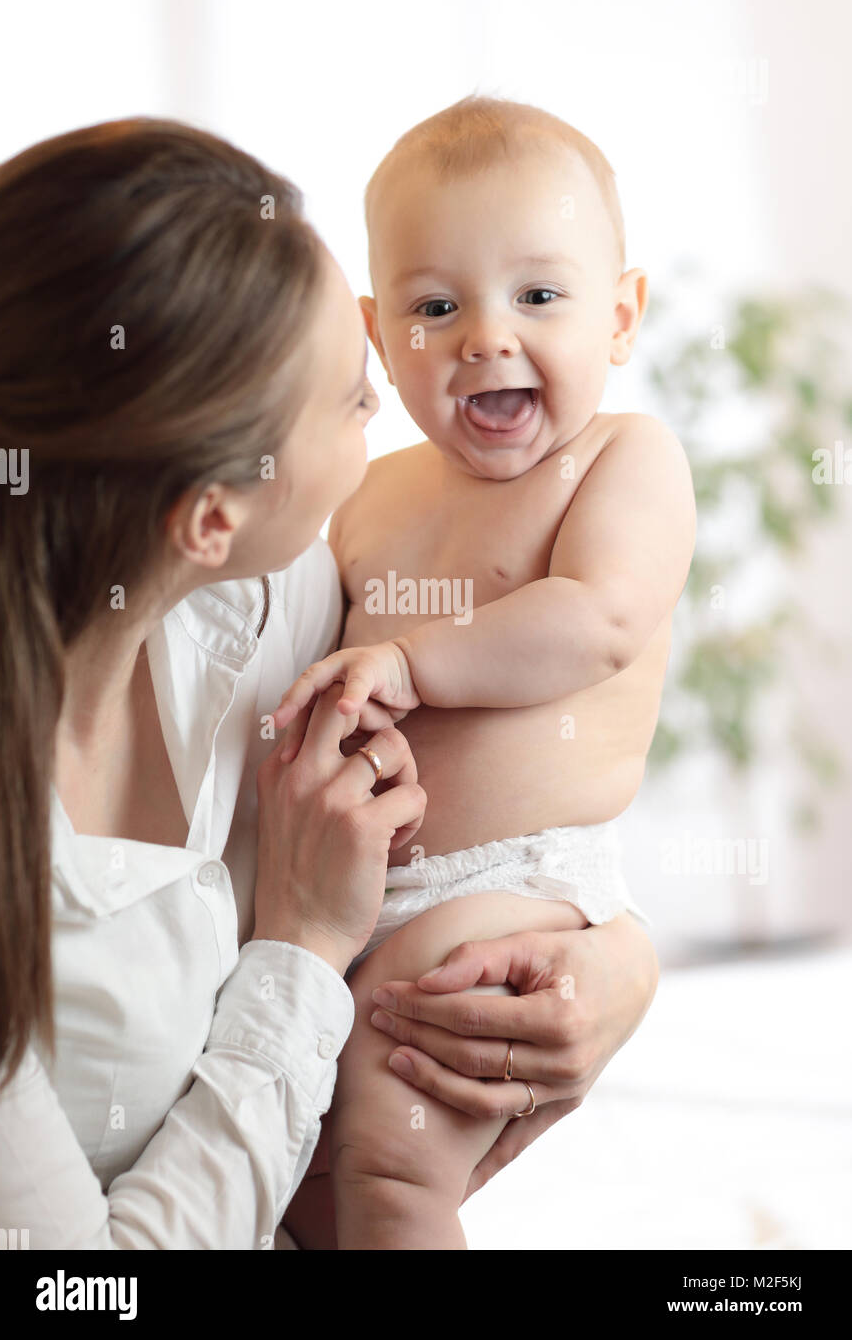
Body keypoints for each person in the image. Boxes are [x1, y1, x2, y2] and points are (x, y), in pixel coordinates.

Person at [0, 116, 659, 1250]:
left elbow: (536, 751)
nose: (410, 403)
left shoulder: (280, 599)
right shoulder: (316, 562)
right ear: (209, 517)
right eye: (356, 398)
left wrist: (613, 964)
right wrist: (298, 951)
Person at [274, 97, 695, 1250]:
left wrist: (411, 659)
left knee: (388, 1153)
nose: (484, 335)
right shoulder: (366, 492)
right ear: (377, 332)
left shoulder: (622, 458)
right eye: (434, 304)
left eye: (538, 296)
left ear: (620, 317)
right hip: (353, 894)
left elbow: (597, 619)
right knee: (302, 1174)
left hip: (512, 880)